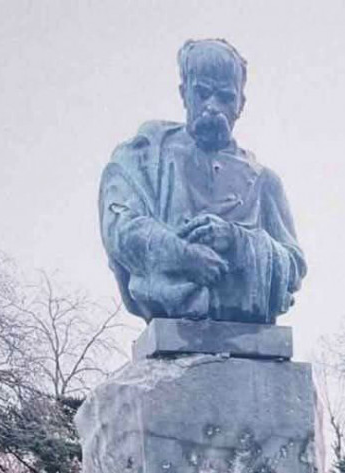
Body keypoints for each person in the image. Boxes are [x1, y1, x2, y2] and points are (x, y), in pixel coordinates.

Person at [99, 38, 306, 323]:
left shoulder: (264, 182)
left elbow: (293, 266)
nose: (212, 107)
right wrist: (183, 256)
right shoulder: (144, 157)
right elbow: (120, 228)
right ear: (184, 93)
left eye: (225, 97)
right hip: (172, 331)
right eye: (202, 93)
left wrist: (236, 241)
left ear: (241, 104)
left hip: (250, 334)